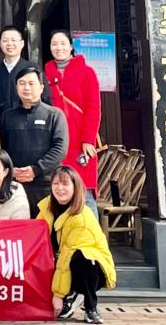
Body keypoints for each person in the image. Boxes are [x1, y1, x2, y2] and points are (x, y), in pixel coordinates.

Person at [39, 166, 116, 324]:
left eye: (65, 184)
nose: (60, 188)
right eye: (56, 184)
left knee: (82, 258)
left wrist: (58, 295)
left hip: (90, 268)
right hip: (60, 261)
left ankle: (90, 307)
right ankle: (70, 294)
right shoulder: (46, 207)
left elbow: (67, 256)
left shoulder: (82, 216)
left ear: (76, 187)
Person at [46, 30, 102, 217]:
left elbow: (93, 108)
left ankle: (91, 232)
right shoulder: (45, 73)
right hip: (55, 140)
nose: (59, 48)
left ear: (71, 47)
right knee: (58, 191)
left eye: (63, 43)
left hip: (79, 140)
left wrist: (88, 139)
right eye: (54, 44)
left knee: (83, 191)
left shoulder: (87, 72)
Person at [0, 66, 69, 216]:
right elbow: (1, 149)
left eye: (31, 83)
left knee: (46, 225)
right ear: (16, 87)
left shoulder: (54, 115)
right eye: (22, 83)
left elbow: (60, 149)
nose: (26, 87)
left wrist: (36, 169)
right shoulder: (7, 116)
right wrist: (11, 170)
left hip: (45, 184)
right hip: (14, 185)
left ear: (41, 88)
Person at [0, 25, 51, 117]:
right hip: (0, 122)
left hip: (28, 121)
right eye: (5, 41)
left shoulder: (33, 69)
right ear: (0, 43)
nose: (9, 44)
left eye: (13, 40)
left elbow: (46, 98)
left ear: (22, 43)